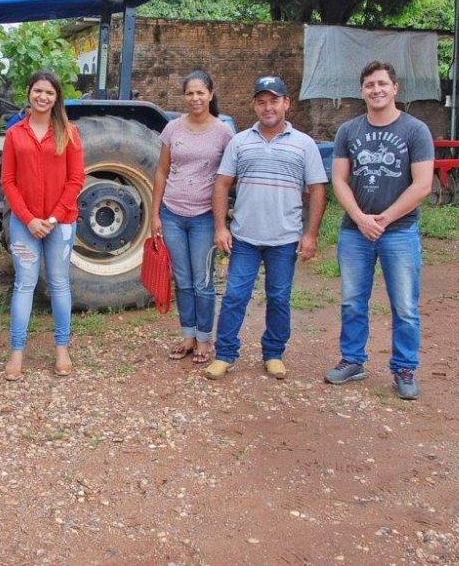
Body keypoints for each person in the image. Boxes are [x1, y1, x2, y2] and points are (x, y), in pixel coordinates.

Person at [204, 76, 328, 381]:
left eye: (274, 100)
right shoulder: (240, 141)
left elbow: (318, 189)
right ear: (254, 106)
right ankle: (224, 354)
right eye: (261, 101)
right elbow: (221, 184)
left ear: (286, 103)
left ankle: (273, 353)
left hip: (284, 239)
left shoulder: (304, 145)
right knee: (234, 296)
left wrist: (310, 234)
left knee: (279, 297)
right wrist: (221, 227)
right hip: (245, 237)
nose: (268, 107)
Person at [324, 62, 434, 400]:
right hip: (355, 232)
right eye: (370, 85)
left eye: (382, 83)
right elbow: (339, 179)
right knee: (353, 302)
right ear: (362, 90)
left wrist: (383, 219)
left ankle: (404, 368)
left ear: (395, 88)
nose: (376, 90)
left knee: (404, 305)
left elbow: (422, 185)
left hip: (399, 231)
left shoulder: (416, 131)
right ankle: (353, 360)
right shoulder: (348, 132)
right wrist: (359, 217)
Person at [0, 71, 86, 380]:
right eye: (38, 90)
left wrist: (51, 218)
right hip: (26, 224)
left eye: (49, 92)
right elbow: (8, 181)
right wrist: (28, 218)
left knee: (60, 283)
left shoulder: (69, 132)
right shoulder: (15, 134)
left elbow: (76, 178)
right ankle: (16, 352)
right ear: (29, 93)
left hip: (60, 224)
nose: (43, 97)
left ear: (56, 97)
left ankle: (62, 348)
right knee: (24, 284)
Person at [150, 71, 235, 365]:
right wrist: (155, 214)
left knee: (203, 281)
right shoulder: (173, 129)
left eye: (200, 92)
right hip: (172, 214)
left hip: (204, 216)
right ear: (184, 97)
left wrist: (223, 218)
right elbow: (161, 170)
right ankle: (187, 335)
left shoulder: (224, 132)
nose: (195, 98)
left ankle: (204, 338)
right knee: (183, 281)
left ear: (211, 94)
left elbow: (230, 176)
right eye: (190, 93)